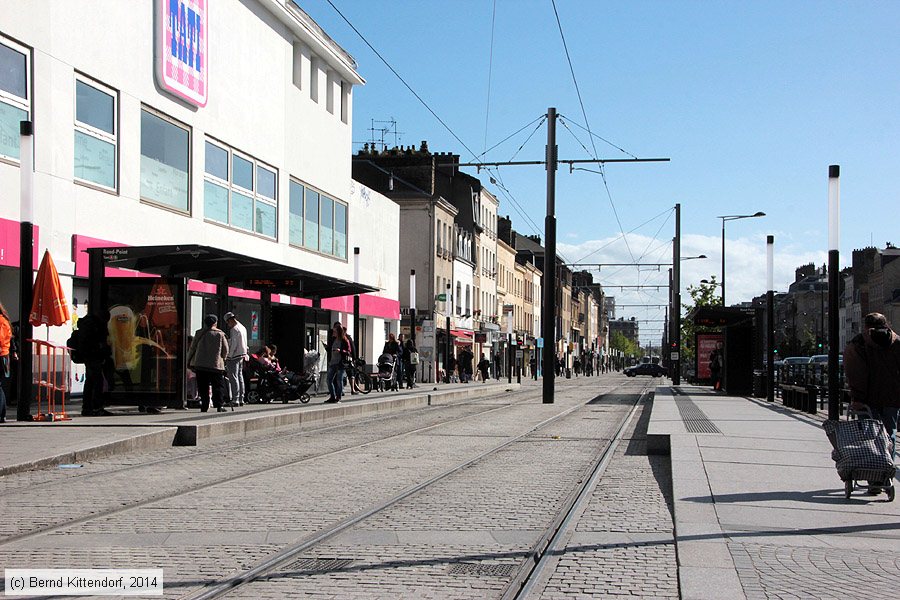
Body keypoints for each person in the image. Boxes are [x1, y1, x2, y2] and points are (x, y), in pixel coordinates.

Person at [844, 312, 900, 494]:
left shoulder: (859, 345)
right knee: (889, 436)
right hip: (893, 397)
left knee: (870, 437)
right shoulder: (896, 342)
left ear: (866, 327)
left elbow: (856, 374)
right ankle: (886, 474)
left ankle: (874, 478)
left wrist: (857, 398)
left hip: (867, 399)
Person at [74, 309, 114, 417]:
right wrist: (103, 352)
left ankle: (87, 407)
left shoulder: (87, 324)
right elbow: (98, 343)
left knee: (90, 382)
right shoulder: (96, 325)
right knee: (97, 382)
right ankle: (97, 407)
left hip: (89, 356)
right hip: (94, 356)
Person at [186, 314, 229, 413]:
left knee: (203, 386)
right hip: (216, 365)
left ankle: (204, 405)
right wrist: (223, 359)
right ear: (215, 323)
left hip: (201, 365)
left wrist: (188, 360)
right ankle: (219, 405)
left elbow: (192, 348)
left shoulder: (199, 333)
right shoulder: (220, 334)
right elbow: (225, 350)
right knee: (217, 386)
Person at [223, 312, 248, 407]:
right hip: (242, 354)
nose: (228, 324)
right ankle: (241, 398)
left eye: (227, 322)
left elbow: (233, 344)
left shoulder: (234, 329)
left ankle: (235, 399)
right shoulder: (242, 327)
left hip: (234, 355)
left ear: (230, 320)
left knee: (233, 377)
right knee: (240, 376)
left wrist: (229, 356)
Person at [325, 322, 351, 403]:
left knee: (339, 380)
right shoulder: (333, 340)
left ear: (338, 332)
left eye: (335, 332)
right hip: (333, 362)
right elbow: (330, 349)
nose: (333, 333)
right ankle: (332, 396)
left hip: (340, 363)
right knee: (329, 380)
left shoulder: (344, 340)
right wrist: (327, 348)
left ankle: (338, 397)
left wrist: (340, 351)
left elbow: (348, 351)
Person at [0, 301, 13, 423]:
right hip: (3, 355)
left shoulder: (1, 321)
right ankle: (2, 414)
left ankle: (1, 413)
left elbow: (1, 339)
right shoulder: (4, 320)